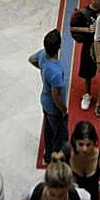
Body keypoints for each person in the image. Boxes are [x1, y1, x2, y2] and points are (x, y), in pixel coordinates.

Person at [30, 30, 67, 165]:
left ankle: (47, 153)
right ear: (59, 47)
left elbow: (31, 59)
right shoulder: (55, 72)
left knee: (48, 129)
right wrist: (63, 109)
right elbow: (55, 96)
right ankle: (55, 157)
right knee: (58, 133)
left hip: (44, 101)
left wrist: (41, 68)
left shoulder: (42, 56)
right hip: (53, 107)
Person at [69, 0, 100, 112]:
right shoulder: (83, 13)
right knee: (87, 72)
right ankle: (87, 94)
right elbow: (72, 27)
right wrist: (87, 29)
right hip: (89, 45)